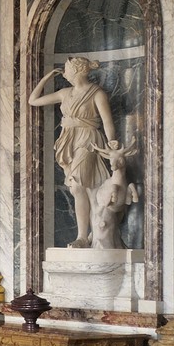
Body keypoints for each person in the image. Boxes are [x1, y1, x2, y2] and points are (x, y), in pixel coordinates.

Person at [28, 56, 121, 246]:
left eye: (67, 69)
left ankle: (83, 236)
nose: (65, 73)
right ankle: (86, 235)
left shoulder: (97, 94)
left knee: (79, 185)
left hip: (88, 139)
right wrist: (45, 78)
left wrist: (112, 142)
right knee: (79, 188)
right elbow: (33, 100)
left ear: (77, 71)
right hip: (68, 140)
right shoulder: (64, 93)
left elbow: (107, 122)